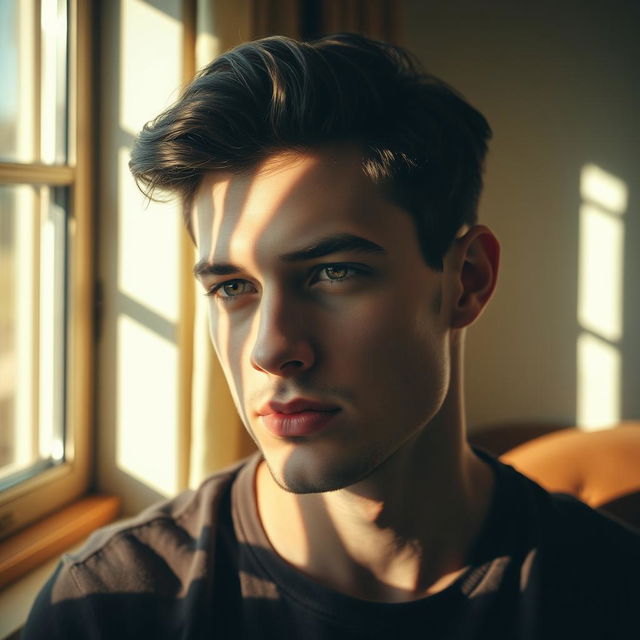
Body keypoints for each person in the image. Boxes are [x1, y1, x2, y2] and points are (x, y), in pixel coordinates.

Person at [24, 33, 639, 639]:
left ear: (467, 282)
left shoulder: (612, 590)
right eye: (233, 287)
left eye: (333, 272)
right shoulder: (108, 610)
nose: (269, 350)